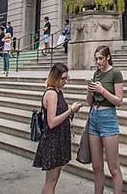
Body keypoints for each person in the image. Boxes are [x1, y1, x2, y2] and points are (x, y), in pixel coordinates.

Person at [32, 63, 82, 194]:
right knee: (51, 182)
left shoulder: (58, 92)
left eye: (67, 78)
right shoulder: (52, 94)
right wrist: (70, 110)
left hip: (59, 139)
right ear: (56, 77)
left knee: (53, 180)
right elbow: (52, 122)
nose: (65, 81)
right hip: (53, 141)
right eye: (63, 78)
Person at [87, 45, 124, 194]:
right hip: (94, 117)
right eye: (96, 59)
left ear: (108, 57)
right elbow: (90, 102)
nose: (98, 62)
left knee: (113, 168)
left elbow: (119, 101)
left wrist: (102, 90)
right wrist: (90, 91)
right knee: (96, 167)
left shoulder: (115, 73)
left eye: (101, 58)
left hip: (108, 118)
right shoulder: (96, 74)